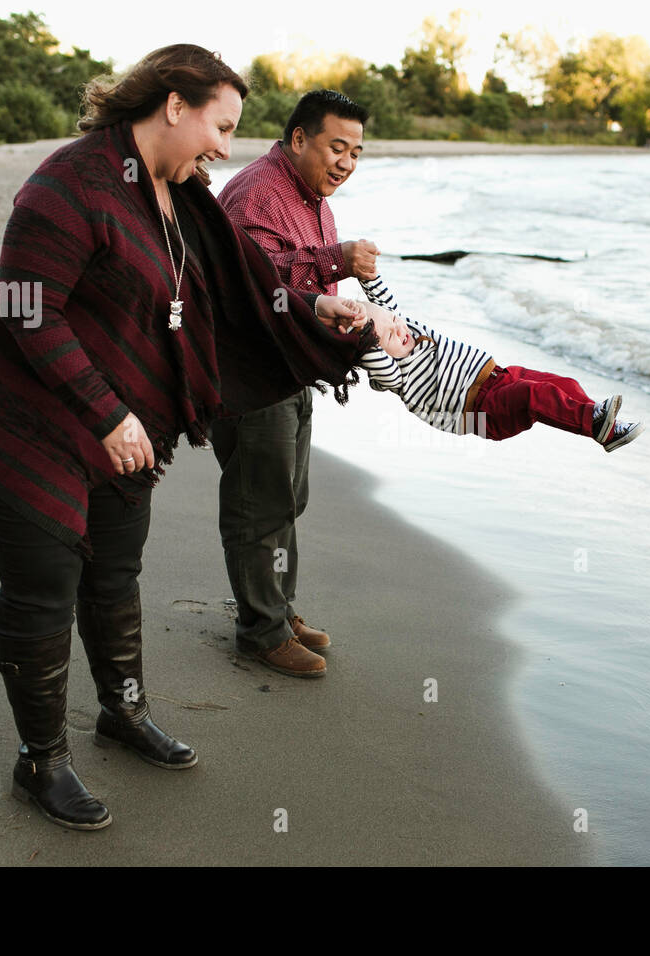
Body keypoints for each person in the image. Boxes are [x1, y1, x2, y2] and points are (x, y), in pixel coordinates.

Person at [0, 46, 377, 830]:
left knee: (115, 569)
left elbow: (244, 286)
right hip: (14, 409)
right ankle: (40, 762)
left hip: (119, 413)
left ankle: (123, 712)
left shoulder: (183, 197)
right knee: (45, 584)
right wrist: (108, 413)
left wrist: (317, 312)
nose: (226, 148)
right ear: (174, 104)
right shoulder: (72, 182)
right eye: (221, 125)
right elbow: (25, 308)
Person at [211, 89, 377, 678]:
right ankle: (261, 631)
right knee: (259, 503)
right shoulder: (258, 192)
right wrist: (336, 261)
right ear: (299, 138)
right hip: (249, 372)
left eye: (356, 152)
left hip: (290, 367)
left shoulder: (315, 200)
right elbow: (255, 288)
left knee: (288, 498)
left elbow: (300, 285)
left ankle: (278, 610)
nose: (346, 162)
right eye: (337, 147)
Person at [357, 276, 644, 450]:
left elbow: (385, 304)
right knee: (535, 396)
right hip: (480, 412)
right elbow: (370, 350)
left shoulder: (407, 327)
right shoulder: (396, 374)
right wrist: (356, 331)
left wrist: (367, 274)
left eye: (395, 321)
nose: (399, 330)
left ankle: (605, 428)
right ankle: (593, 420)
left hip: (499, 376)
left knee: (564, 385)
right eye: (389, 336)